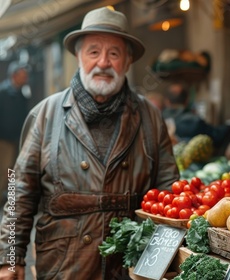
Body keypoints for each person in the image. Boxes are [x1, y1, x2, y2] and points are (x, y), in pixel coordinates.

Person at [0, 7, 179, 280]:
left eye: (114, 54)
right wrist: (9, 260)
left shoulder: (149, 116)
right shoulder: (46, 114)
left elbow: (170, 192)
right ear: (79, 56)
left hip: (131, 266)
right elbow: (18, 192)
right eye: (94, 52)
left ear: (128, 61)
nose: (103, 62)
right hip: (63, 265)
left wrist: (164, 262)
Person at [0, 62, 30, 209]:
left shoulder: (22, 94)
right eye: (22, 76)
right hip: (4, 140)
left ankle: (10, 200)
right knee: (3, 169)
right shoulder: (3, 92)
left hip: (17, 139)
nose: (25, 79)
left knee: (13, 170)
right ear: (14, 75)